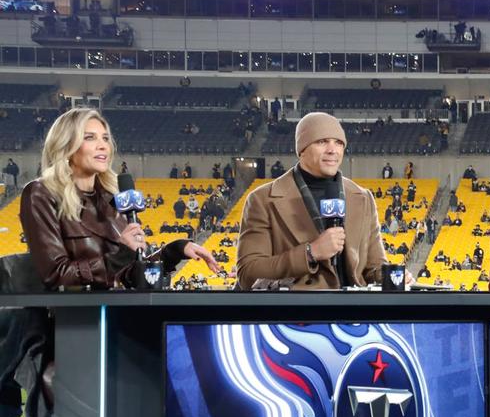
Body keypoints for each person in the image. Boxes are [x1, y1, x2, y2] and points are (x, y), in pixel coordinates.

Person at [20, 108, 219, 290]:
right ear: (66, 146)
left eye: (106, 138)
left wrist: (175, 250)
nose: (102, 146)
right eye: (90, 138)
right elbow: (56, 275)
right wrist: (120, 256)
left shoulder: (114, 199)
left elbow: (131, 277)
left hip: (117, 311)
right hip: (71, 321)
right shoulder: (41, 194)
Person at [236, 112, 387, 290]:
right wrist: (310, 252)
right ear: (302, 149)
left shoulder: (362, 197)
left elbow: (373, 269)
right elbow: (248, 273)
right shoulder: (262, 199)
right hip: (296, 311)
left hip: (353, 310)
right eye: (322, 141)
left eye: (338, 142)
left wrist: (391, 275)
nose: (333, 149)